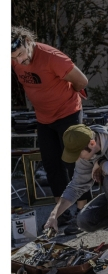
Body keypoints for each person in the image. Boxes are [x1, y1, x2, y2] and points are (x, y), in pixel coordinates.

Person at [11, 26, 91, 234]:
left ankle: (83, 215)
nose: (18, 61)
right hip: (44, 118)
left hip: (68, 113)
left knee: (75, 164)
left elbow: (82, 81)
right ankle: (62, 215)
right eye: (14, 58)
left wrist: (62, 97)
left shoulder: (52, 57)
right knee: (53, 166)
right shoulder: (14, 57)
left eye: (20, 54)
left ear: (27, 41)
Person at [43, 123, 108, 252]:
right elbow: (75, 187)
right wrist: (54, 215)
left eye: (78, 154)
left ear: (92, 143)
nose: (78, 158)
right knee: (84, 221)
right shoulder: (87, 152)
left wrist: (101, 163)